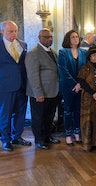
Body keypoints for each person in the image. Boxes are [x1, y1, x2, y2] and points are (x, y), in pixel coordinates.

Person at [25, 28, 61, 150]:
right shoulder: (33, 53)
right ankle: (39, 139)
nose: (49, 39)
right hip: (40, 93)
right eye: (46, 37)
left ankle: (47, 136)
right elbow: (32, 75)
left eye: (51, 37)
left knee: (49, 116)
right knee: (38, 117)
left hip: (52, 91)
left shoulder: (53, 52)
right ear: (39, 38)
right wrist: (38, 93)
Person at [0, 20, 31, 152]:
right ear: (2, 31)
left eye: (15, 31)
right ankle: (5, 140)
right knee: (5, 114)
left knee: (20, 113)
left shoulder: (23, 44)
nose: (14, 34)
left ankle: (17, 137)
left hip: (22, 85)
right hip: (5, 86)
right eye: (10, 31)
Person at [58, 30, 86, 146]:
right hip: (68, 86)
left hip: (81, 86)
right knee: (68, 110)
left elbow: (86, 70)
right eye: (72, 37)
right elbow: (62, 70)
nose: (75, 39)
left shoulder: (83, 52)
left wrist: (80, 84)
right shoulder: (63, 52)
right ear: (68, 39)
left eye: (77, 37)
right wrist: (74, 84)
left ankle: (77, 133)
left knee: (78, 110)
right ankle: (68, 135)